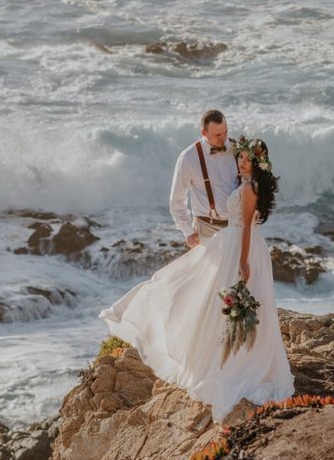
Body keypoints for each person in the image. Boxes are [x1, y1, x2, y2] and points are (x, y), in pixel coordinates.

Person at [99, 126, 295, 424]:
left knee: (229, 305)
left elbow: (243, 228)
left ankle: (237, 363)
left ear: (258, 163)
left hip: (241, 248)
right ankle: (229, 358)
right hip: (237, 245)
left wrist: (242, 262)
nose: (241, 162)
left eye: (247, 159)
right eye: (240, 158)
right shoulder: (251, 185)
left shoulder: (249, 188)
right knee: (215, 299)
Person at [169, 109, 240, 247]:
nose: (224, 138)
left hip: (237, 227)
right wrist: (188, 231)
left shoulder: (236, 148)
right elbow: (177, 198)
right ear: (204, 133)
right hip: (207, 230)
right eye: (218, 134)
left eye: (226, 132)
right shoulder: (188, 157)